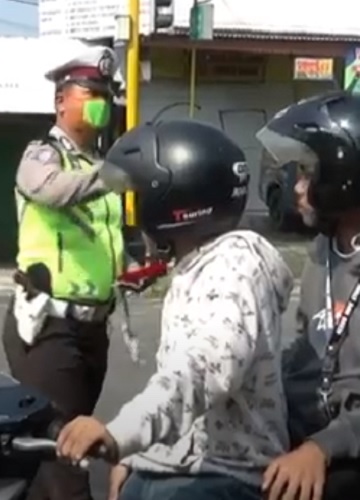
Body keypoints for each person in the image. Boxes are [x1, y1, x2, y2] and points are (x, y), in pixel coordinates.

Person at [54, 120, 295, 500]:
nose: (135, 215)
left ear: (172, 200)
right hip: (184, 468)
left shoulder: (234, 265)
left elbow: (207, 366)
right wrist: (141, 455)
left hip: (225, 477)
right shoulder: (196, 267)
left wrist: (123, 432)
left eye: (139, 197)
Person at [0, 46, 127, 500]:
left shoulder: (99, 165)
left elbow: (105, 238)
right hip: (48, 327)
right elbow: (51, 192)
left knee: (58, 450)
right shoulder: (41, 156)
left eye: (106, 95)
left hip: (93, 330)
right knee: (67, 458)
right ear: (61, 102)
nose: (101, 103)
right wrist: (115, 174)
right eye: (90, 93)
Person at [256, 91, 360, 500]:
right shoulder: (325, 249)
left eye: (308, 174)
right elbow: (306, 351)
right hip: (305, 430)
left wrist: (323, 447)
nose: (297, 188)